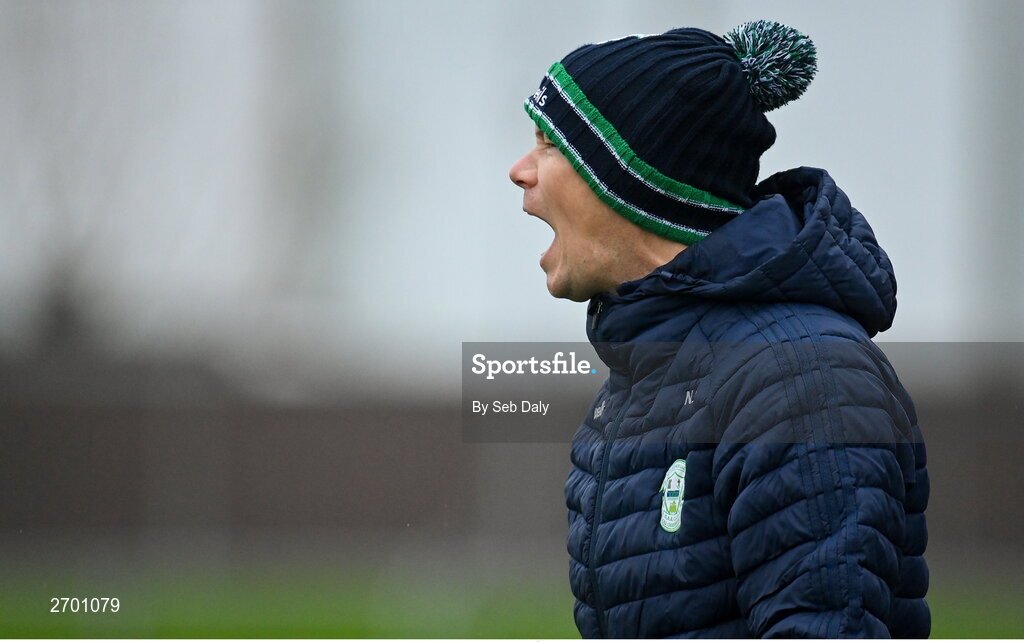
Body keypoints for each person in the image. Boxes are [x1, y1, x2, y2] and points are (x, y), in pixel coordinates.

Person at [508, 21, 929, 638]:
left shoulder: (801, 378)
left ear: (632, 183)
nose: (520, 170)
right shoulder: (654, 371)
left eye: (551, 144)